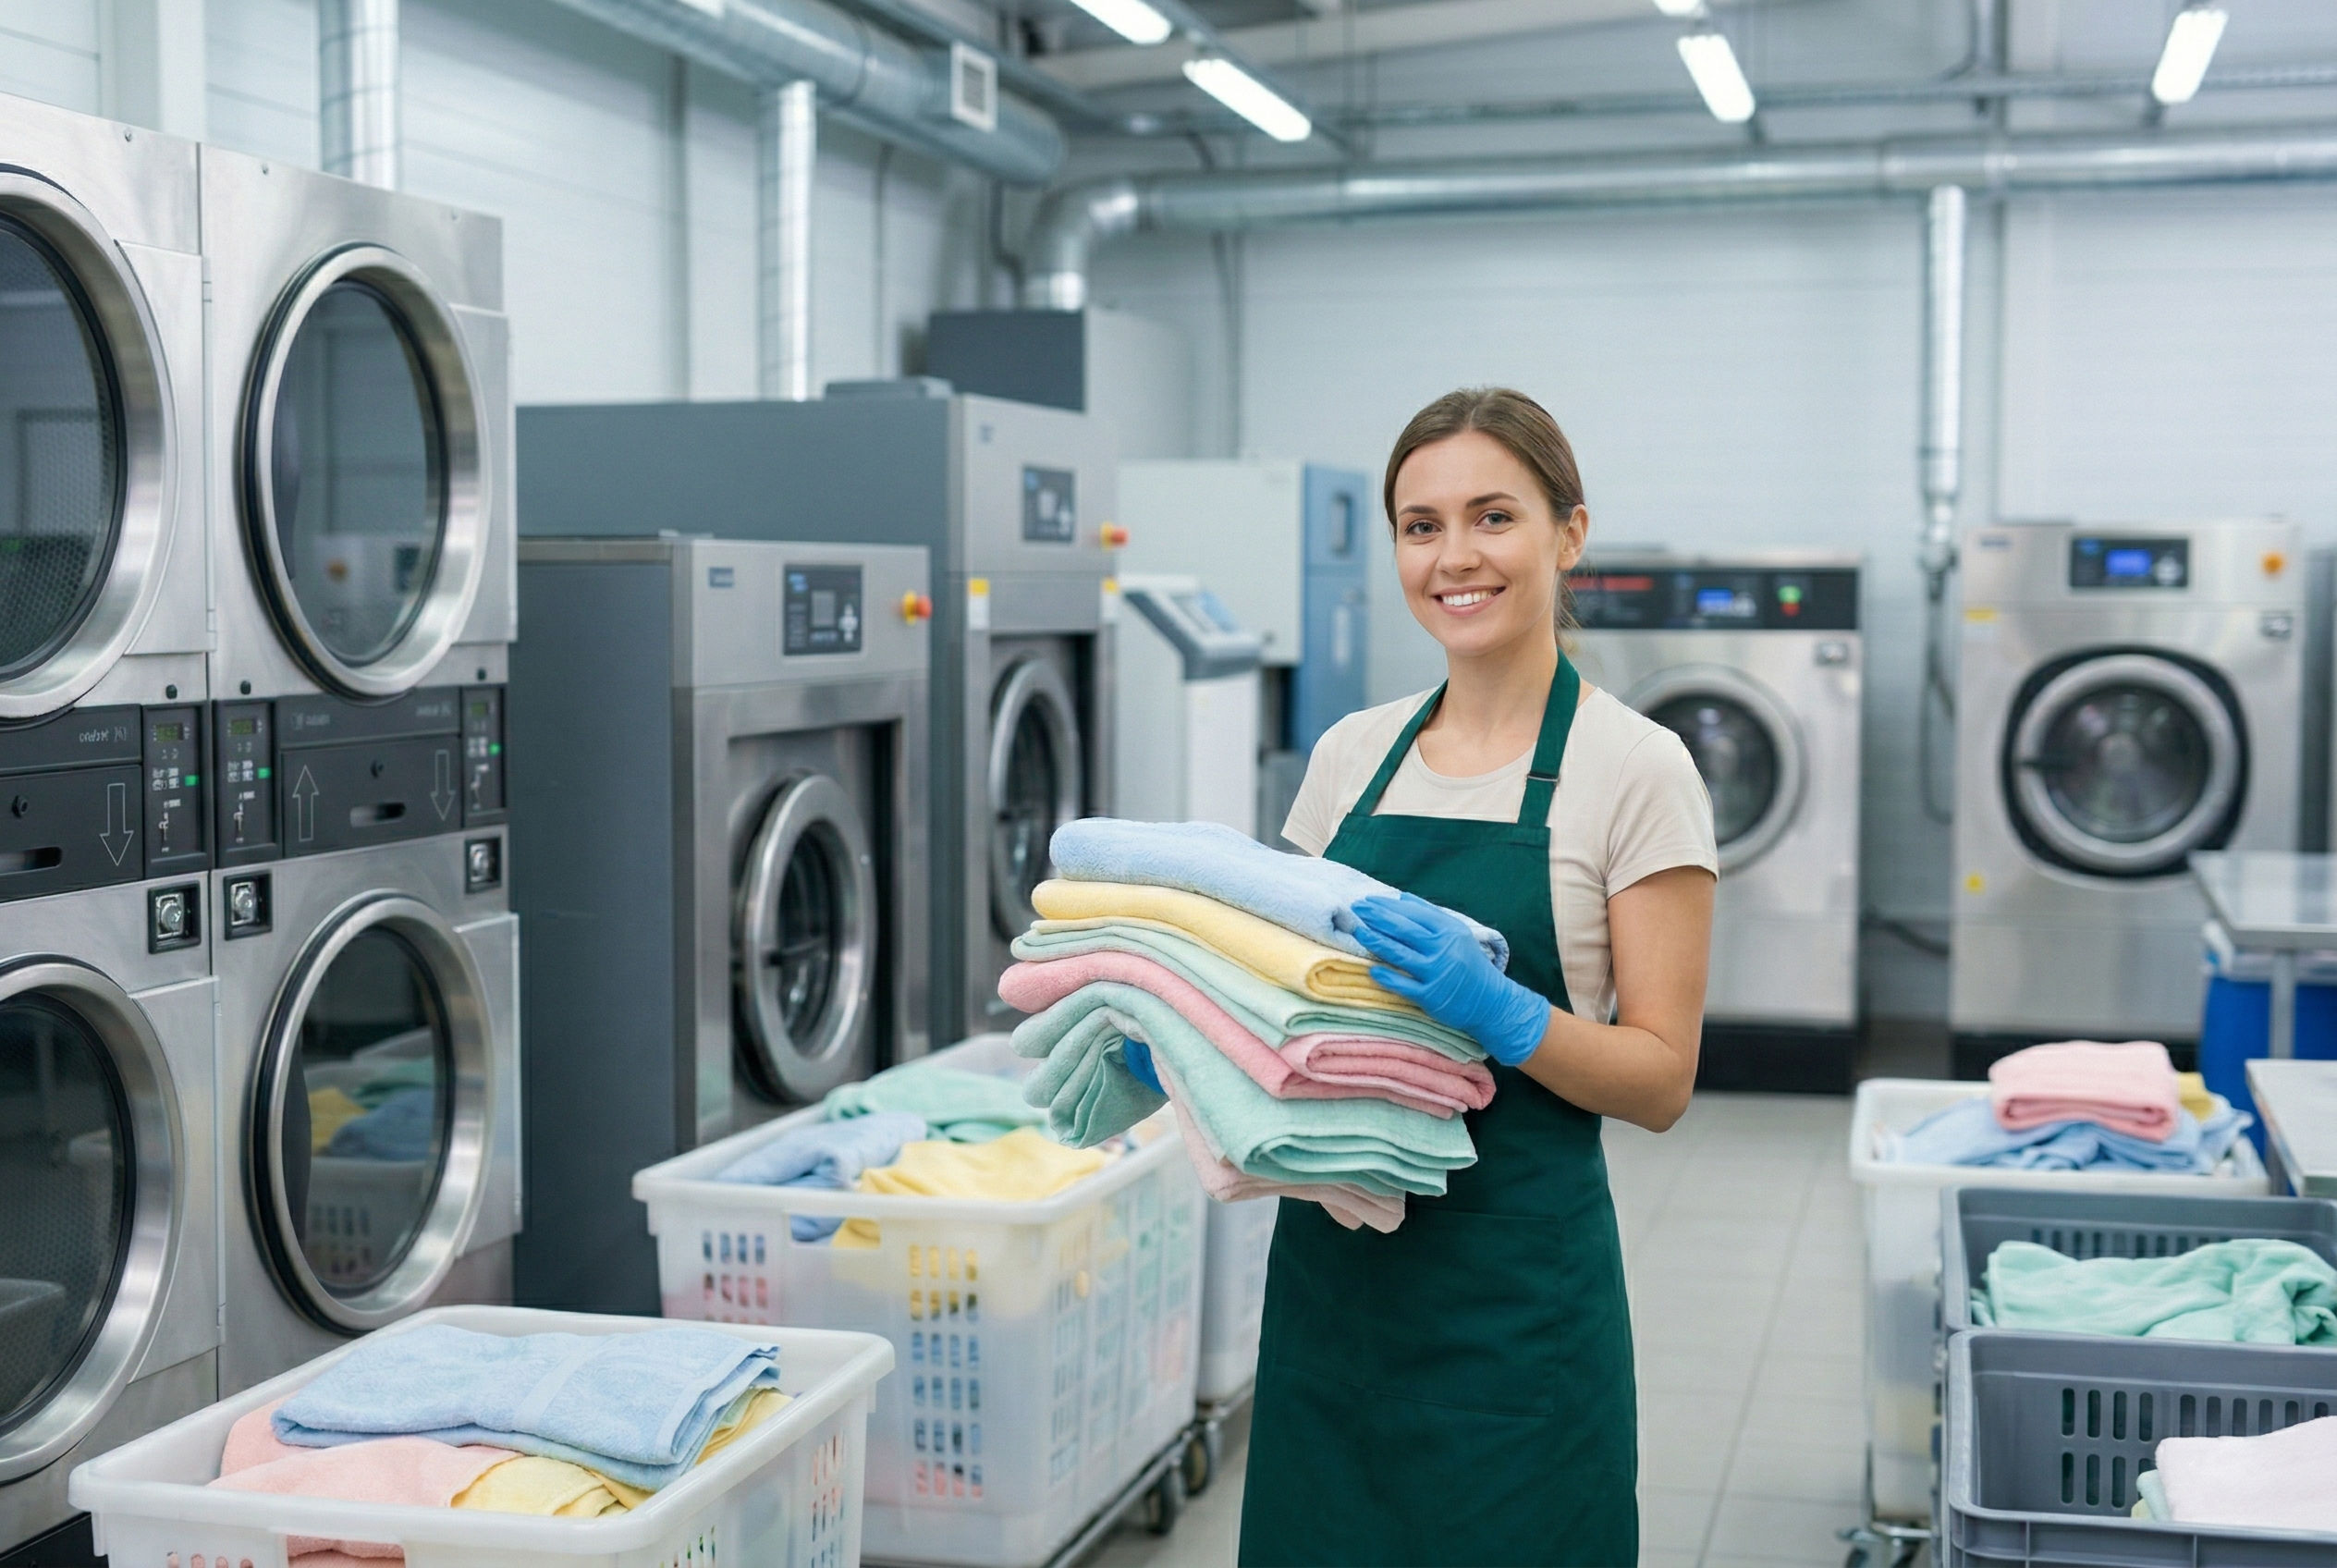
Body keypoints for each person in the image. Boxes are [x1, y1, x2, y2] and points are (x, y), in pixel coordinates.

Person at [1238, 387, 1719, 1567]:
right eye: (1419, 524)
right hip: (1335, 1288)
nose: (1452, 557)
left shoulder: (1635, 769)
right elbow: (1278, 989)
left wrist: (1503, 1013)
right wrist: (1184, 1032)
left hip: (1514, 1314)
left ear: (1567, 533)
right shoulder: (1353, 752)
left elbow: (1659, 1080)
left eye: (1491, 516)